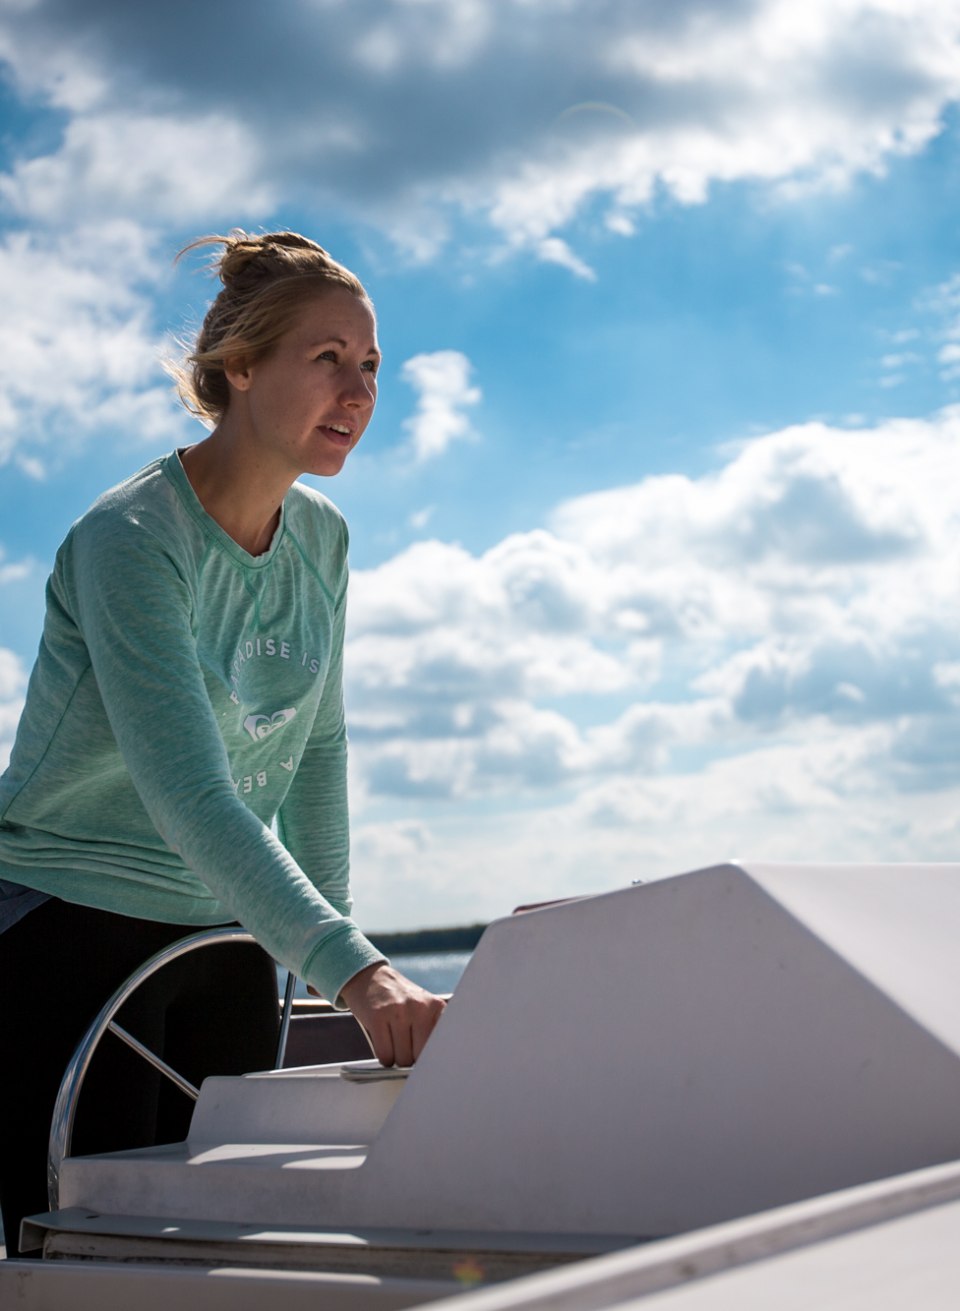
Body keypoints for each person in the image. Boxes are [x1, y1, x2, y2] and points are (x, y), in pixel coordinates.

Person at [0, 230, 446, 1257]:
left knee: (212, 1256)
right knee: (80, 1263)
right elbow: (191, 793)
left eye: (371, 364)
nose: (359, 389)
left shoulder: (323, 538)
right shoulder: (130, 538)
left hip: (228, 940)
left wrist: (324, 948)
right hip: (73, 928)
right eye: (327, 357)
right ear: (239, 368)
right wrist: (360, 975)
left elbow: (316, 750)